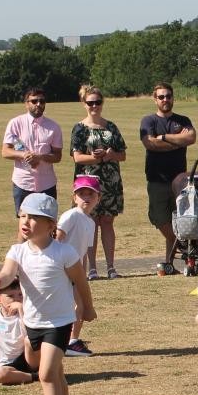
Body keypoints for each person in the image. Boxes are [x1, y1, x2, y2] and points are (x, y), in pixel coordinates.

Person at [0, 193, 96, 395]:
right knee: (55, 370)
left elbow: (80, 282)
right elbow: (7, 273)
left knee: (46, 373)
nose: (26, 222)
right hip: (33, 322)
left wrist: (88, 308)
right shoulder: (17, 251)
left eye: (34, 218)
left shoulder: (64, 253)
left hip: (59, 321)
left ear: (50, 226)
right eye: (23, 216)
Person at [139, 82, 196, 275]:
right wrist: (174, 141)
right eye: (161, 97)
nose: (165, 100)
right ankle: (181, 245)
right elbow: (150, 144)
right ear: (155, 99)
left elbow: (190, 138)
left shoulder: (183, 119)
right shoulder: (148, 121)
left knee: (180, 220)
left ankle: (169, 263)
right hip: (157, 179)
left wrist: (162, 138)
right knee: (158, 218)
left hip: (180, 180)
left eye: (168, 96)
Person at [70, 85, 127, 279]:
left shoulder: (111, 126)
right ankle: (92, 268)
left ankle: (111, 267)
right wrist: (97, 158)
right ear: (84, 104)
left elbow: (123, 155)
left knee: (108, 222)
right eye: (90, 103)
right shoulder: (79, 128)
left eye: (98, 102)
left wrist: (111, 154)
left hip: (110, 181)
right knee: (90, 223)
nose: (94, 106)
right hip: (88, 182)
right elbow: (76, 157)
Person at [56, 176, 100, 356]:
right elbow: (58, 237)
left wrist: (82, 273)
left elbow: (82, 252)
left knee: (79, 304)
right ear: (74, 198)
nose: (86, 198)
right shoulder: (71, 215)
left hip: (75, 270)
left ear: (98, 198)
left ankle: (71, 340)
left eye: (91, 194)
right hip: (62, 268)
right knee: (76, 305)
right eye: (81, 194)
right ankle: (69, 342)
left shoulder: (90, 222)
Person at [1, 87, 62, 217]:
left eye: (42, 101)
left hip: (47, 184)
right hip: (23, 183)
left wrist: (40, 157)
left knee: (48, 224)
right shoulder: (15, 123)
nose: (38, 104)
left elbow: (57, 156)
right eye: (34, 101)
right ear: (26, 103)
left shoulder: (54, 127)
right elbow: (5, 151)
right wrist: (23, 155)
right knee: (24, 225)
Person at [0, 278, 36, 386]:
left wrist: (21, 310)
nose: (17, 299)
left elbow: (31, 334)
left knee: (29, 340)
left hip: (30, 359)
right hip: (8, 364)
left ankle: (36, 371)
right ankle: (36, 376)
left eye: (20, 294)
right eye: (11, 296)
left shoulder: (26, 313)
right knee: (0, 375)